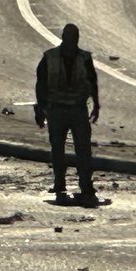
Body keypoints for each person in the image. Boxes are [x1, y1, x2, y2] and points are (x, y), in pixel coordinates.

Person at [34, 23, 101, 207]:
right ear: (64, 37)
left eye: (74, 37)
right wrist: (40, 108)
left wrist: (96, 104)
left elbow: (92, 81)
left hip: (78, 109)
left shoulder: (84, 58)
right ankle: (60, 182)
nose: (72, 41)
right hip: (57, 109)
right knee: (58, 148)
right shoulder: (50, 57)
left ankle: (86, 184)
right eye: (70, 37)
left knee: (83, 149)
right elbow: (41, 83)